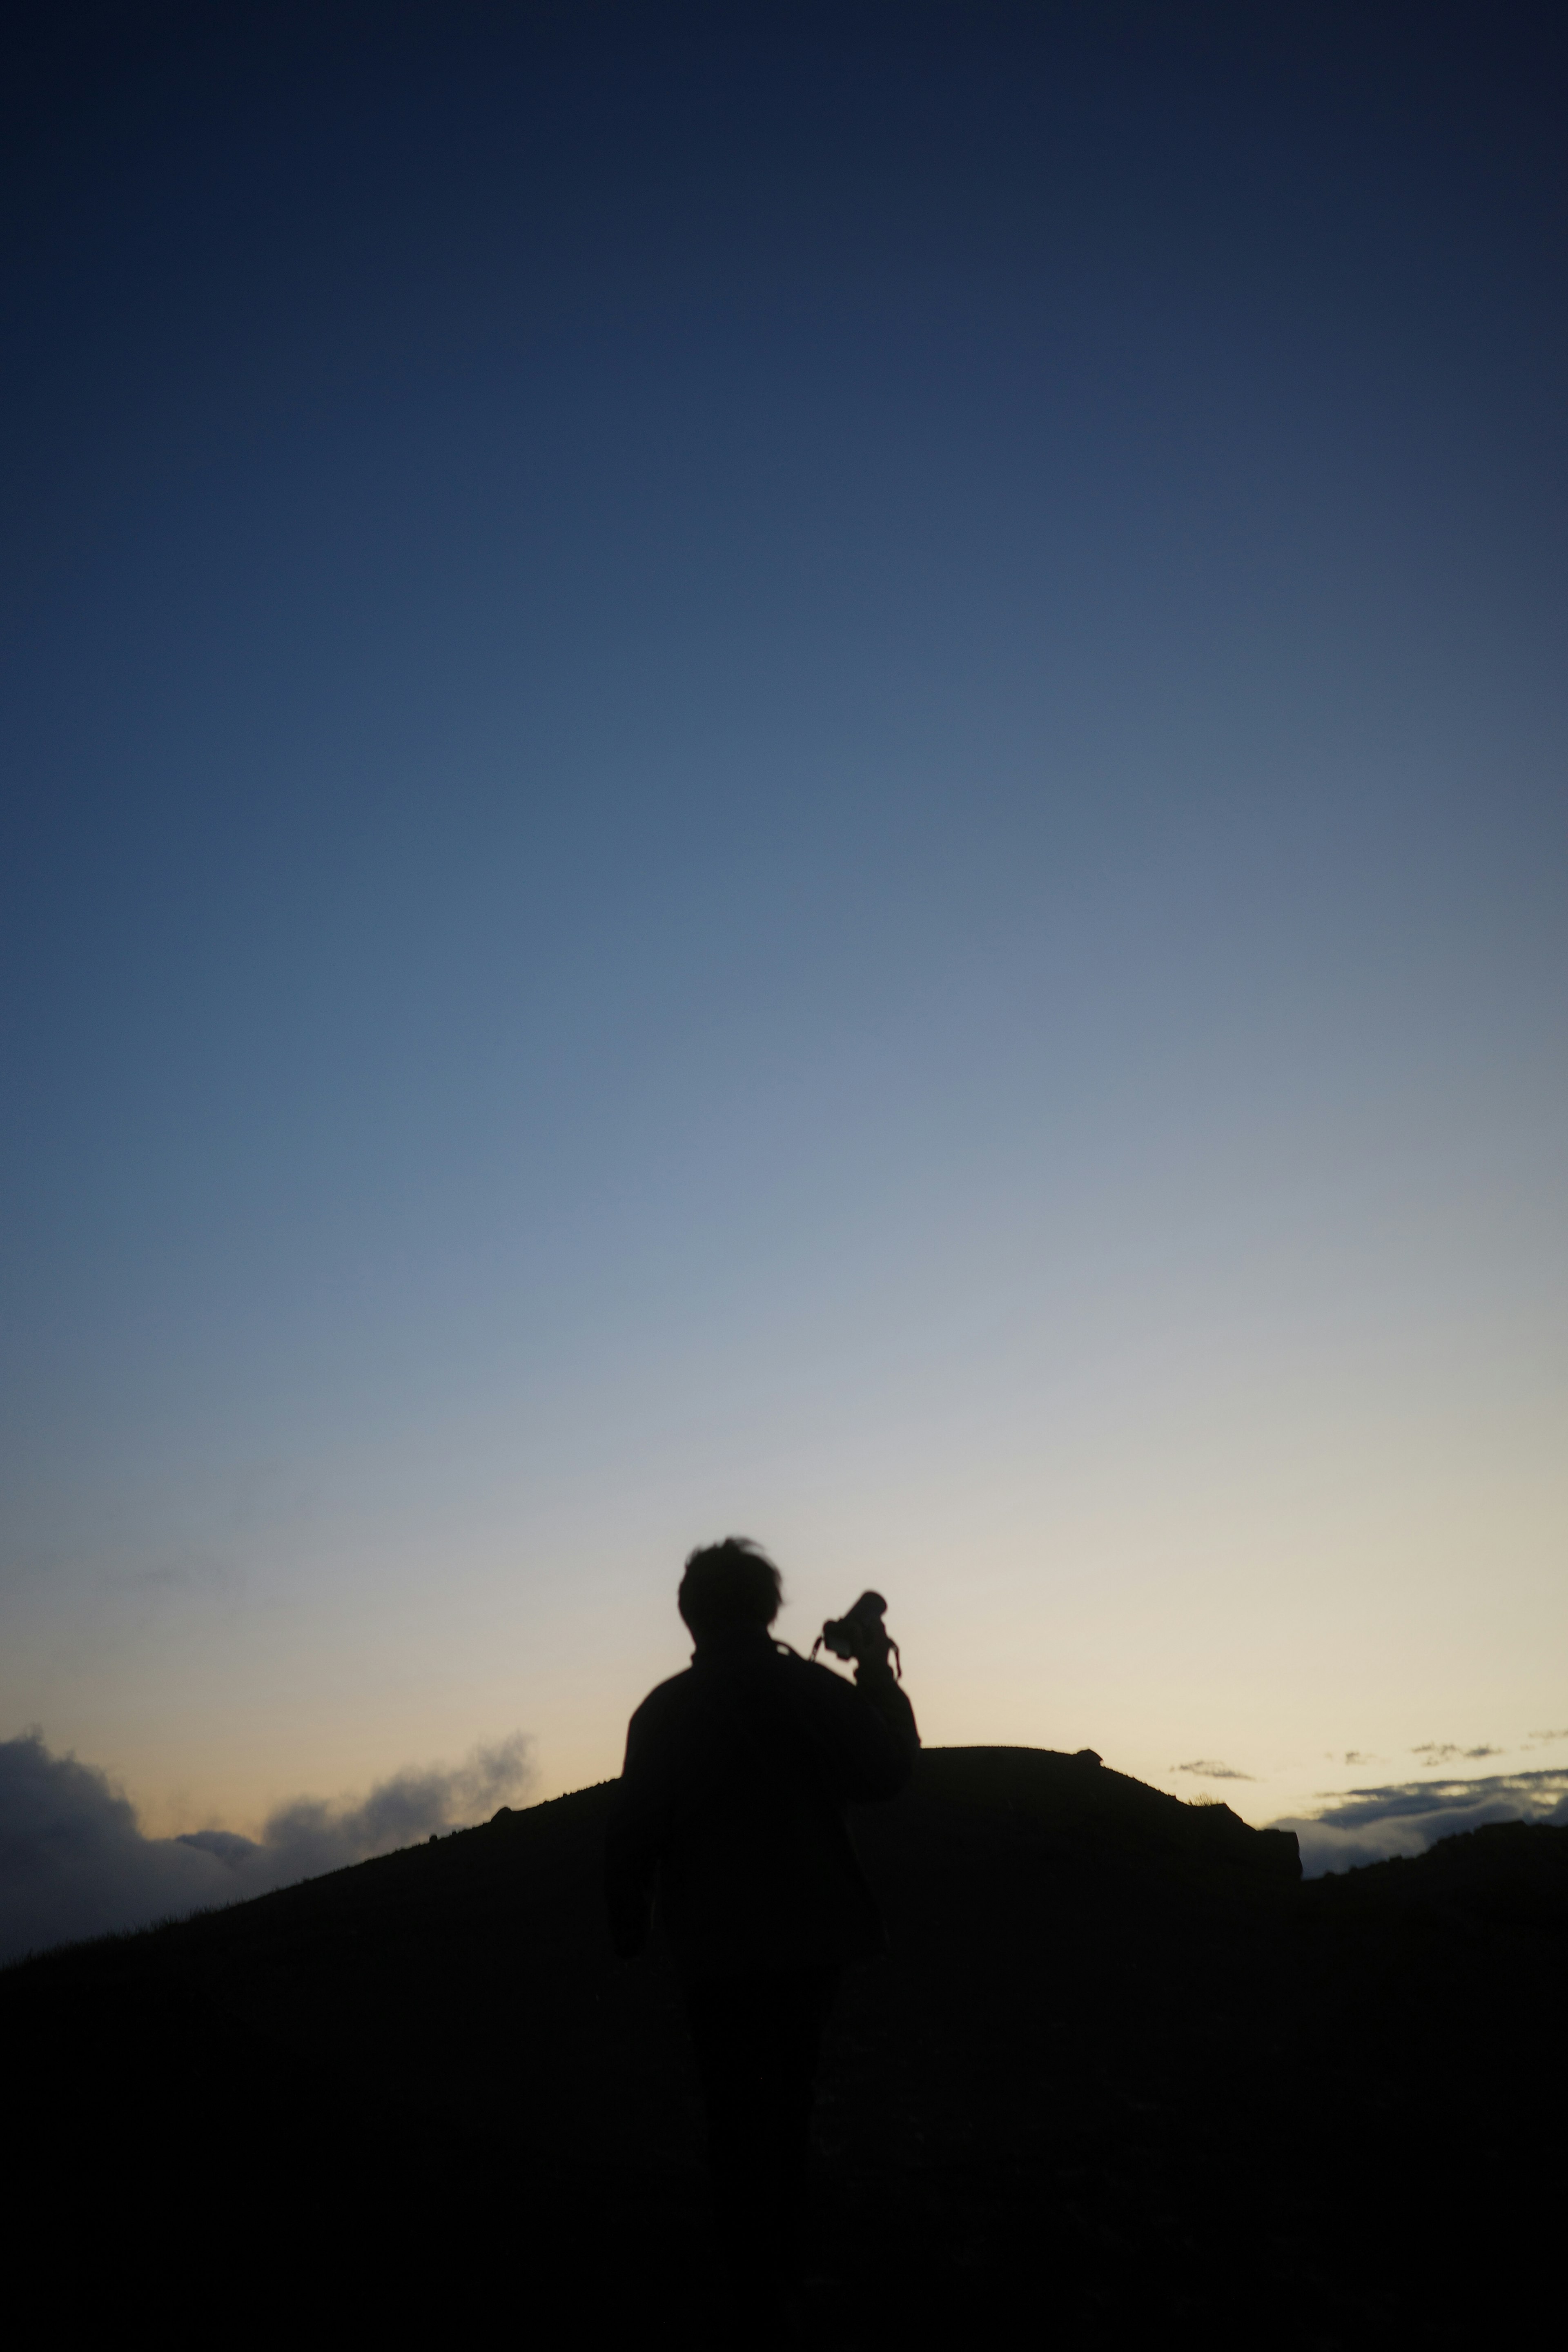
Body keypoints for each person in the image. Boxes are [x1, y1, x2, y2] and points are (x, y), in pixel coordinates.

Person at [604, 1536, 919, 2325]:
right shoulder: (809, 1691)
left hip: (712, 1946)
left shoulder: (663, 1711)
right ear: (769, 1609)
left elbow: (633, 1832)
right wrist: (875, 1670)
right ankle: (780, 2269)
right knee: (791, 2097)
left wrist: (628, 1927)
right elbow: (888, 1773)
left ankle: (753, 2282)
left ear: (689, 1617)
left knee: (732, 2108)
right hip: (813, 1936)